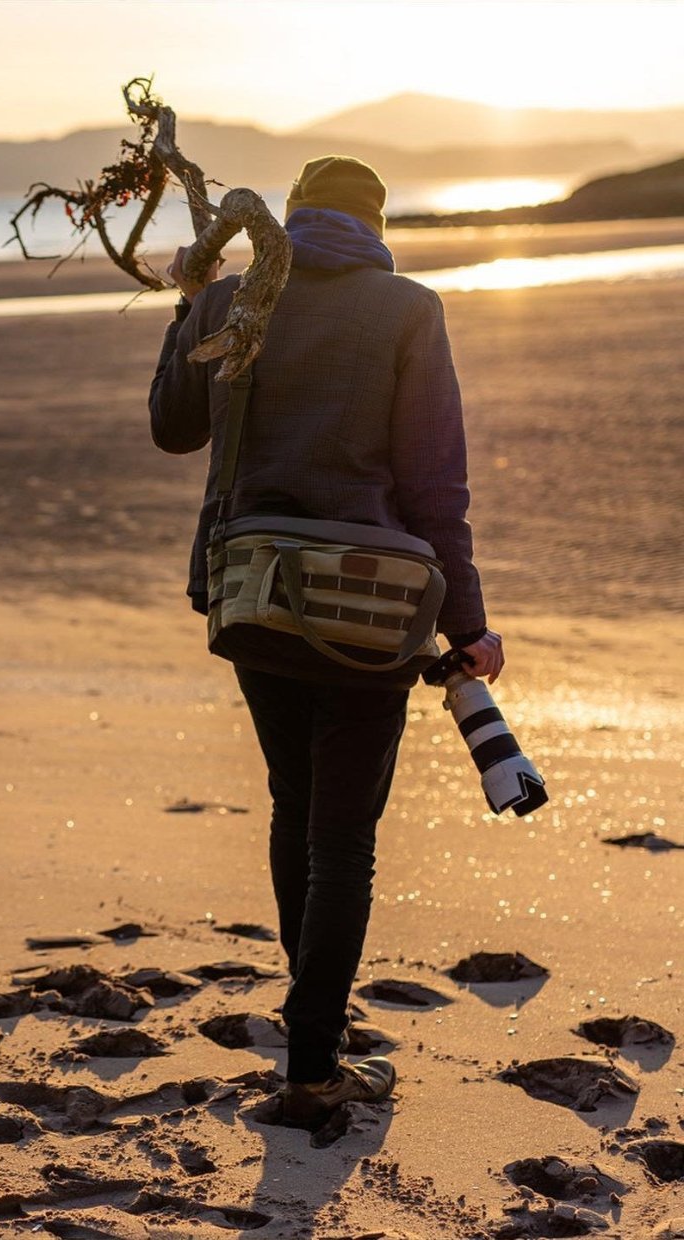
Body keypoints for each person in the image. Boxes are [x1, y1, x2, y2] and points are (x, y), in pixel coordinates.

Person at [149, 155, 504, 1131]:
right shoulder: (406, 310)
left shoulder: (234, 296)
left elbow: (171, 428)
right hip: (369, 606)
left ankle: (319, 1046)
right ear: (375, 224)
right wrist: (466, 627)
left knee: (294, 811)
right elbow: (435, 483)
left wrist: (189, 303)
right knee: (341, 837)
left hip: (252, 594)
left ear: (291, 219)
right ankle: (313, 1065)